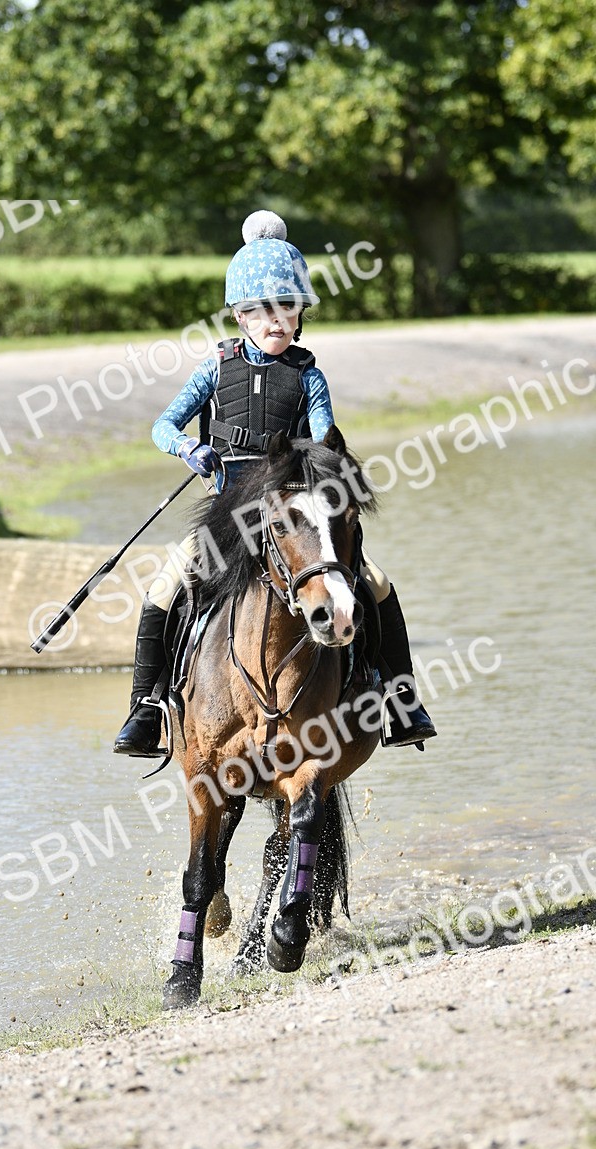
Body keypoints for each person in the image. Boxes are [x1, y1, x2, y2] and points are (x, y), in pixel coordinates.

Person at [113, 210, 436, 757]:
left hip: (294, 518)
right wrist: (190, 447)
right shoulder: (214, 370)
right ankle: (146, 707)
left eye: (288, 308)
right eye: (263, 311)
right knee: (164, 589)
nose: (277, 321)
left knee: (376, 584)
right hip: (229, 516)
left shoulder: (309, 376)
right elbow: (161, 426)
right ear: (240, 316)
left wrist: (317, 471)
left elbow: (323, 442)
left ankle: (401, 700)